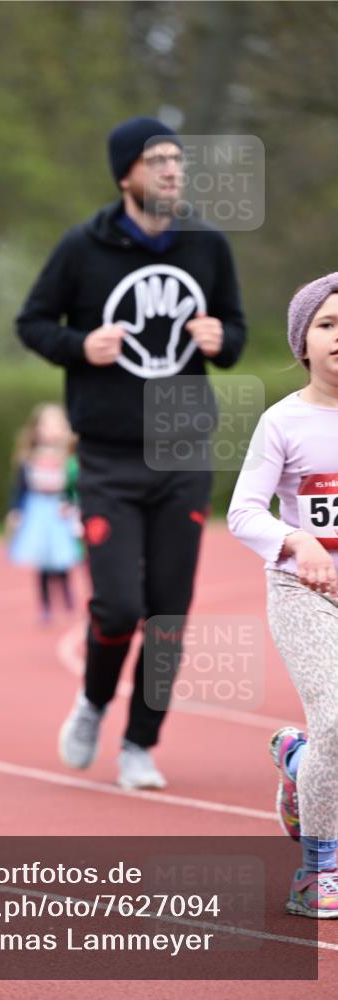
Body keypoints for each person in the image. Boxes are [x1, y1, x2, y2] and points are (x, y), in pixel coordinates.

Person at [16, 116, 246, 789]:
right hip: (111, 457)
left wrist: (218, 339)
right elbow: (31, 321)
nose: (173, 171)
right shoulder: (81, 247)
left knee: (167, 617)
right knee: (117, 607)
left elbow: (234, 334)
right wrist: (76, 346)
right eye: (157, 161)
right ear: (126, 175)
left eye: (177, 160)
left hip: (181, 451)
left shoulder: (205, 245)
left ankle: (139, 743)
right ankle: (92, 703)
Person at [228, 273, 338, 918]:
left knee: (330, 740)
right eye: (327, 325)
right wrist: (298, 542)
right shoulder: (284, 422)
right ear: (303, 342)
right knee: (336, 721)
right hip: (306, 594)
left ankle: (299, 764)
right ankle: (319, 866)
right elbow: (243, 513)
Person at [6, 403, 82, 622]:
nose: (52, 431)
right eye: (47, 426)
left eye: (57, 425)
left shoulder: (69, 458)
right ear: (36, 429)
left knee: (62, 557)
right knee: (42, 560)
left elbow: (74, 485)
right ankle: (45, 604)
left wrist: (72, 504)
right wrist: (15, 511)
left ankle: (67, 595)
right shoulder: (28, 458)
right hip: (37, 511)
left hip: (60, 511)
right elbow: (19, 487)